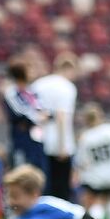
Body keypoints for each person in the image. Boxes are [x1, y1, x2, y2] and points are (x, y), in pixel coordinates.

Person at [31, 53, 79, 200]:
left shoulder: (38, 84)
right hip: (58, 144)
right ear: (69, 68)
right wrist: (63, 146)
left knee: (41, 185)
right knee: (61, 189)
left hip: (38, 140)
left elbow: (33, 113)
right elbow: (61, 116)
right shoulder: (67, 88)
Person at [3, 61, 47, 173]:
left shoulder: (31, 92)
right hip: (21, 140)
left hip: (36, 140)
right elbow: (20, 114)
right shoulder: (11, 93)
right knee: (21, 171)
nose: (32, 72)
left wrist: (41, 116)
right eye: (29, 69)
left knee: (38, 171)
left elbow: (44, 110)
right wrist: (37, 118)